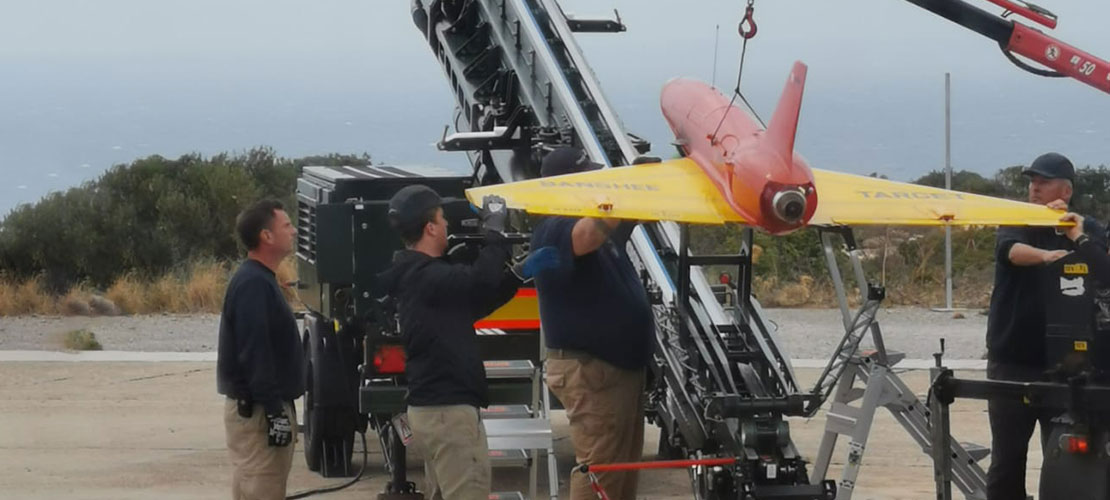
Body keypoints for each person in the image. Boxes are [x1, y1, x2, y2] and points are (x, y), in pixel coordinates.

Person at [376, 185, 522, 500]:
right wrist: (495, 234)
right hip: (448, 414)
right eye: (442, 219)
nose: (446, 225)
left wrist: (516, 277)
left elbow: (473, 302)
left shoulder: (420, 276)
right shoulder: (426, 276)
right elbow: (479, 280)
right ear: (430, 228)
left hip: (434, 411)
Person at [529, 147, 655, 500]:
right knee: (601, 469)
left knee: (620, 471)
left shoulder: (592, 228)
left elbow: (622, 218)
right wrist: (620, 191)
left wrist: (641, 180)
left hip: (614, 370)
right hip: (593, 371)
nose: (596, 184)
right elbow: (588, 235)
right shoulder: (553, 228)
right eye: (589, 177)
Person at [984, 152, 1107, 499]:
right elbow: (1010, 251)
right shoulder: (1017, 220)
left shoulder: (1085, 227)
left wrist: (1075, 237)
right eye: (1032, 182)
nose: (1034, 188)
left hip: (1066, 365)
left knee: (1065, 458)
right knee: (1007, 458)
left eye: (1044, 182)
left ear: (1066, 190)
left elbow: (1101, 261)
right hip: (1011, 359)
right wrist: (1047, 257)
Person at [217, 199, 305, 500]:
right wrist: (273, 411)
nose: (294, 231)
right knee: (260, 490)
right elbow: (254, 352)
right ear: (266, 236)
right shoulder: (253, 284)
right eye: (286, 225)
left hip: (263, 408)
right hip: (257, 414)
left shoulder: (261, 279)